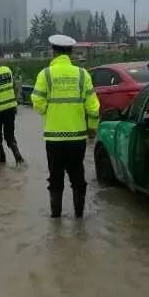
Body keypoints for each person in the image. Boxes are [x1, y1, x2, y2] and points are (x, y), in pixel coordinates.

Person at [31, 35, 100, 218]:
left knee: (55, 177)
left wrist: (49, 112)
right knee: (78, 177)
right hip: (77, 137)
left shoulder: (45, 74)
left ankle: (56, 217)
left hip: (54, 138)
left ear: (53, 51)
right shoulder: (82, 74)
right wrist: (92, 128)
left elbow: (37, 101)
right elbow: (93, 107)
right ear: (71, 52)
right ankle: (79, 216)